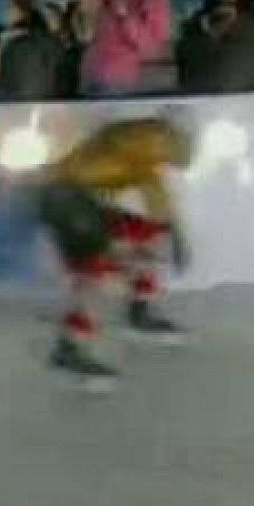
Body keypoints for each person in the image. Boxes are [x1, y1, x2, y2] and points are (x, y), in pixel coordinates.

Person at [36, 113, 195, 386]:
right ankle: (69, 346)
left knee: (146, 233)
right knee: (99, 270)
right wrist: (121, 254)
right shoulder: (136, 146)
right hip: (65, 199)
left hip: (78, 199)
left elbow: (155, 194)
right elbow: (148, 183)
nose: (167, 162)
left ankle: (139, 310)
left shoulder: (143, 156)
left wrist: (172, 232)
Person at [81, 0, 173, 96]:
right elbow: (86, 33)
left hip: (122, 79)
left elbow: (151, 47)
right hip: (91, 73)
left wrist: (126, 17)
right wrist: (85, 13)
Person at [0, 0, 62, 102]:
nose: (2, 10)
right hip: (22, 104)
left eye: (8, 6)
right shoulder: (9, 38)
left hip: (20, 105)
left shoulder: (23, 43)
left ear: (20, 10)